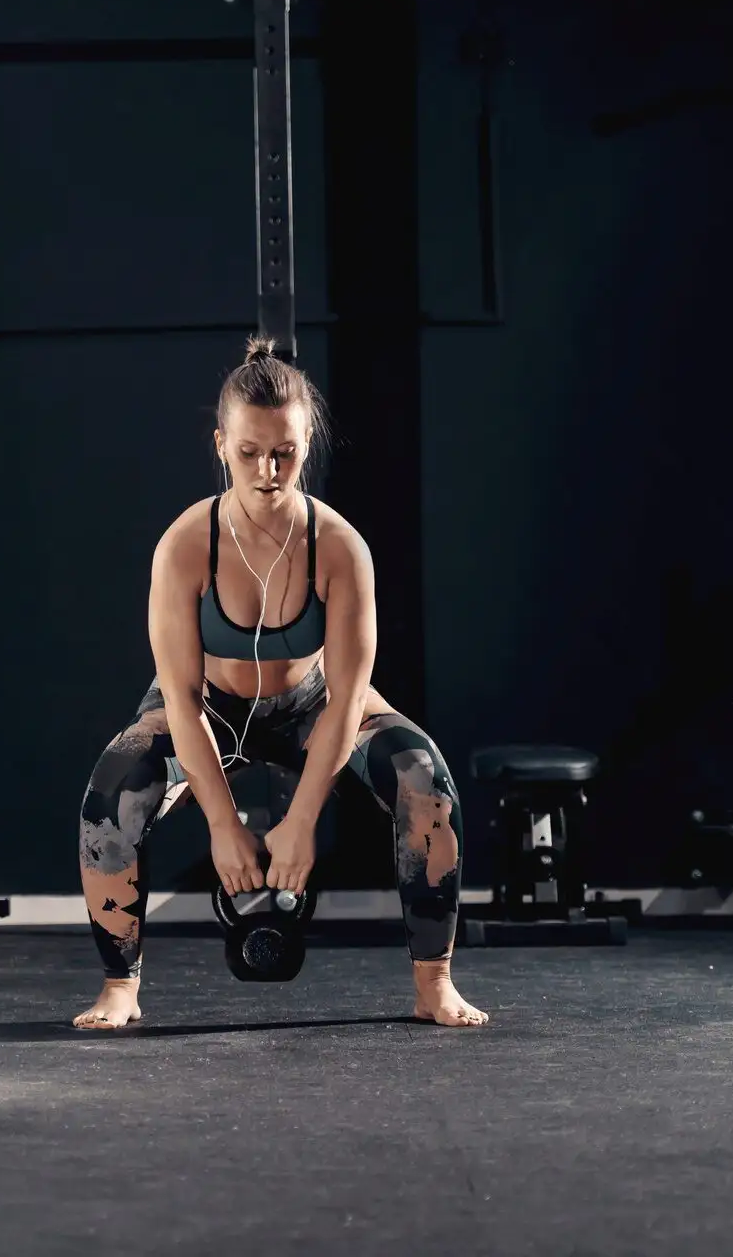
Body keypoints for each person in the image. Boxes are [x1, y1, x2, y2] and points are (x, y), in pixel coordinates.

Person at [73, 337, 487, 1030]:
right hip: (209, 706)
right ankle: (120, 986)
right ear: (220, 445)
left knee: (425, 778)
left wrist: (300, 823)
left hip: (312, 705)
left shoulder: (340, 548)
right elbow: (179, 697)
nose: (268, 470)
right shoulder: (185, 545)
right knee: (112, 790)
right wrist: (223, 823)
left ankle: (434, 983)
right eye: (249, 452)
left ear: (308, 441)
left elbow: (350, 695)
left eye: (286, 453)